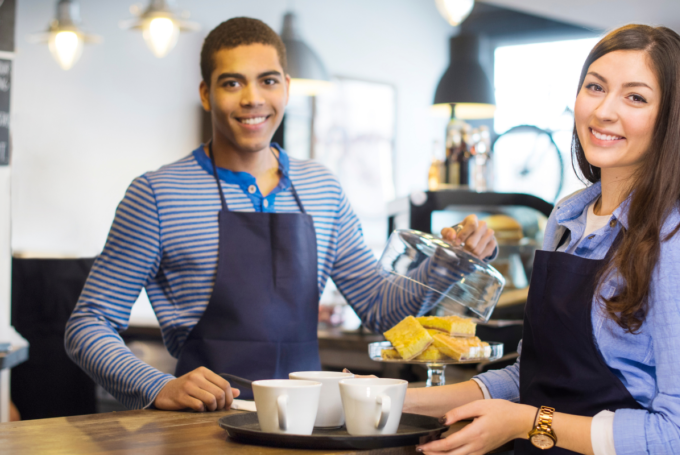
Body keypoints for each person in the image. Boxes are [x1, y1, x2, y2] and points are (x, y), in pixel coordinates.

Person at [64, 17, 495, 413]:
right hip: (202, 426)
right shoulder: (158, 194)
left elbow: (383, 313)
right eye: (232, 83)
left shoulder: (321, 188)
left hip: (309, 423)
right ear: (205, 93)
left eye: (267, 81)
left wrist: (446, 260)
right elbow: (88, 324)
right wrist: (156, 386)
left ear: (286, 87)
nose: (253, 99)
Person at [406, 24, 680, 455]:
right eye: (595, 87)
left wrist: (530, 423)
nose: (604, 111)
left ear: (671, 119)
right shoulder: (567, 217)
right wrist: (400, 399)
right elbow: (533, 377)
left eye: (635, 97)